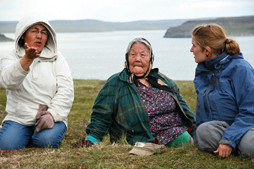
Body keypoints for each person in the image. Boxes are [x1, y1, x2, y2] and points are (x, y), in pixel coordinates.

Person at [72, 37, 196, 148]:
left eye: (143, 55)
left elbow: (183, 107)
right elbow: (101, 114)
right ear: (127, 58)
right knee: (184, 139)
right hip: (144, 137)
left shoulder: (162, 80)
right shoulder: (116, 82)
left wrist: (196, 128)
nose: (137, 59)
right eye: (133, 54)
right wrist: (92, 139)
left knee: (199, 136)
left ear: (150, 59)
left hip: (178, 127)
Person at [0, 16, 74, 150]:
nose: (39, 36)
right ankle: (22, 133)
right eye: (34, 31)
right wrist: (26, 60)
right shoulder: (10, 57)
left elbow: (66, 90)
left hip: (51, 115)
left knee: (45, 142)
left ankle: (42, 133)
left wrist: (52, 114)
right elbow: (8, 82)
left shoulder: (57, 58)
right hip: (20, 118)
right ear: (23, 35)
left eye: (44, 32)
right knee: (7, 146)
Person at [190, 23, 254, 158]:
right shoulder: (202, 70)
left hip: (246, 127)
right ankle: (235, 149)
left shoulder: (241, 69)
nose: (191, 50)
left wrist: (229, 139)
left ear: (207, 50)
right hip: (221, 129)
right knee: (203, 131)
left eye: (194, 45)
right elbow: (204, 114)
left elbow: (250, 112)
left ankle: (232, 146)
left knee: (249, 144)